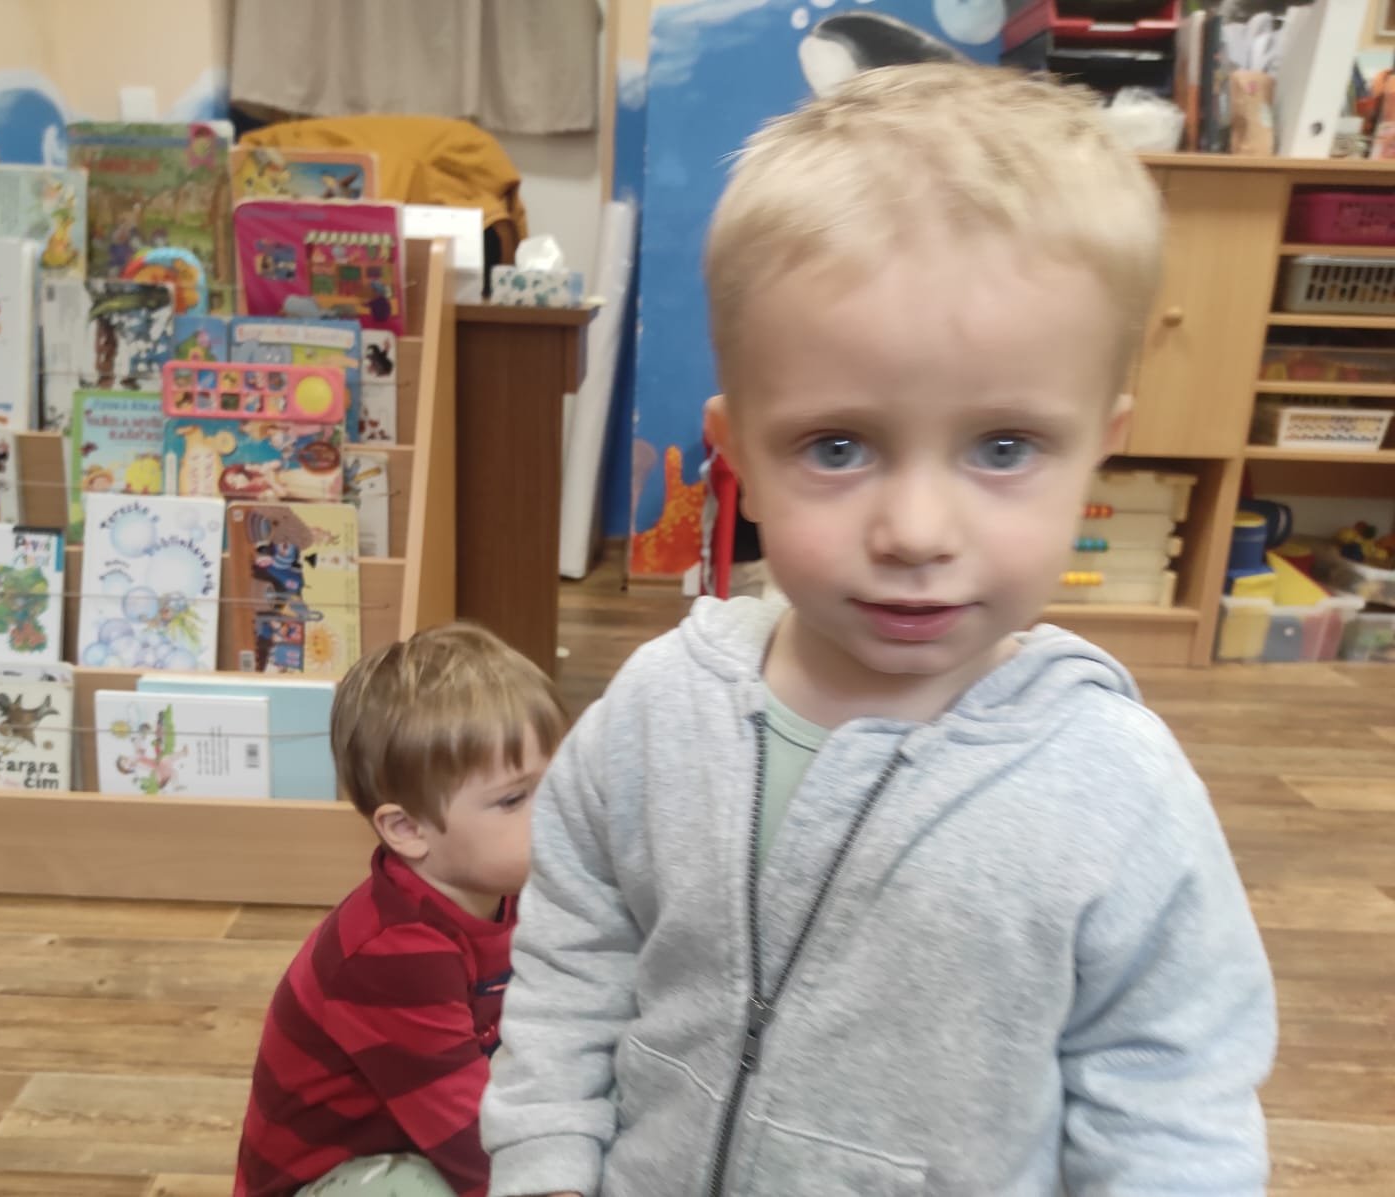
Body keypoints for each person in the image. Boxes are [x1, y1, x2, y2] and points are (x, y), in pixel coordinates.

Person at [482, 63, 1276, 1197]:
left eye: (1003, 447)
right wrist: (548, 1165)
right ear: (739, 455)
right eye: (838, 447)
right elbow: (571, 963)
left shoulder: (1117, 788)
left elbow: (1174, 1104)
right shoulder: (655, 713)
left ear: (1100, 450)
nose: (915, 532)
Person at [235, 623, 568, 1197]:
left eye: (555, 781)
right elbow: (469, 1140)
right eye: (514, 799)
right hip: (345, 1179)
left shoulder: (511, 886)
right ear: (408, 829)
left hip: (423, 1133)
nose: (556, 809)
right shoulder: (393, 954)